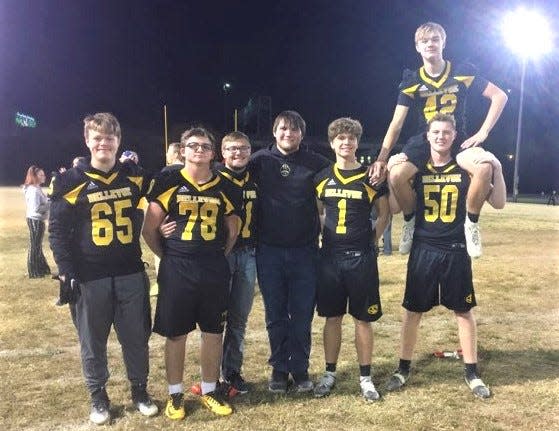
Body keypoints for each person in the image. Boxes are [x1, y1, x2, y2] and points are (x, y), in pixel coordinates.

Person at [385, 113, 506, 399]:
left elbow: (499, 202)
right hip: (424, 246)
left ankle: (472, 371)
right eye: (436, 132)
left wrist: (497, 168)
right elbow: (392, 207)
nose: (441, 136)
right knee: (412, 311)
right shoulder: (416, 168)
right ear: (427, 136)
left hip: (455, 247)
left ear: (454, 136)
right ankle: (403, 368)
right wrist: (392, 175)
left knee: (463, 310)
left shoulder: (467, 167)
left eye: (446, 132)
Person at [48, 112, 158, 425]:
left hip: (130, 271)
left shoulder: (135, 175)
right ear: (87, 141)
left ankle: (140, 390)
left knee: (136, 338)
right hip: (89, 274)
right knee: (92, 341)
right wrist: (66, 269)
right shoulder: (69, 180)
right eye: (97, 138)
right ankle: (98, 396)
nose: (103, 144)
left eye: (109, 138)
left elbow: (167, 192)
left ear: (118, 141)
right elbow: (57, 230)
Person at [371, 22, 508, 259]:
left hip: (456, 136)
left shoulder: (461, 71)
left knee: (484, 167)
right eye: (425, 41)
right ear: (417, 47)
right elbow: (397, 123)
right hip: (425, 138)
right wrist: (382, 157)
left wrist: (483, 133)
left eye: (435, 39)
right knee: (396, 174)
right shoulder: (411, 80)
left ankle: (472, 223)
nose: (430, 44)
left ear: (443, 43)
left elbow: (499, 96)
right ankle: (410, 220)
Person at [142, 126, 240, 420]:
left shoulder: (226, 186)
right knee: (176, 335)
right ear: (182, 150)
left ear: (213, 153)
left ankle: (209, 390)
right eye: (193, 145)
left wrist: (216, 255)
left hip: (212, 268)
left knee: (213, 332)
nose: (199, 150)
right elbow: (149, 228)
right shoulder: (167, 180)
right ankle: (175, 395)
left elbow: (233, 229)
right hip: (178, 268)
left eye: (205, 146)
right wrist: (167, 255)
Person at [250, 110, 331, 393]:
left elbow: (344, 178)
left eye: (294, 130)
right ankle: (279, 369)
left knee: (301, 314)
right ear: (275, 132)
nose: (288, 134)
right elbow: (229, 178)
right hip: (269, 250)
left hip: (305, 251)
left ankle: (300, 368)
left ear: (302, 134)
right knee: (275, 314)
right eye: (283, 129)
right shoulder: (259, 161)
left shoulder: (315, 162)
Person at [313, 118, 389, 401]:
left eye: (351, 138)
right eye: (341, 138)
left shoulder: (371, 178)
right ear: (332, 143)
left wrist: (372, 240)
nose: (346, 143)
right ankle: (329, 372)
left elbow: (384, 214)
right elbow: (318, 213)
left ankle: (365, 377)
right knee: (332, 318)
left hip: (361, 258)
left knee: (362, 319)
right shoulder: (321, 177)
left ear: (357, 142)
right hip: (330, 257)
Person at [216, 131, 258, 394]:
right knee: (215, 319)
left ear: (250, 150)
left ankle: (232, 371)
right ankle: (212, 375)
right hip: (221, 255)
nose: (238, 153)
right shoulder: (214, 178)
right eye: (232, 149)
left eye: (242, 148)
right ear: (223, 152)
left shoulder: (257, 177)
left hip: (250, 252)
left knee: (239, 318)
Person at [23, 165, 51, 278]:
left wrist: (48, 200)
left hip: (38, 220)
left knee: (37, 245)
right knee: (35, 246)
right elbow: (37, 208)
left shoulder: (36, 188)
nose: (44, 176)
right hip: (35, 220)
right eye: (41, 175)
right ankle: (33, 272)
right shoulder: (34, 190)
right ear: (35, 176)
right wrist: (50, 203)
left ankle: (41, 269)